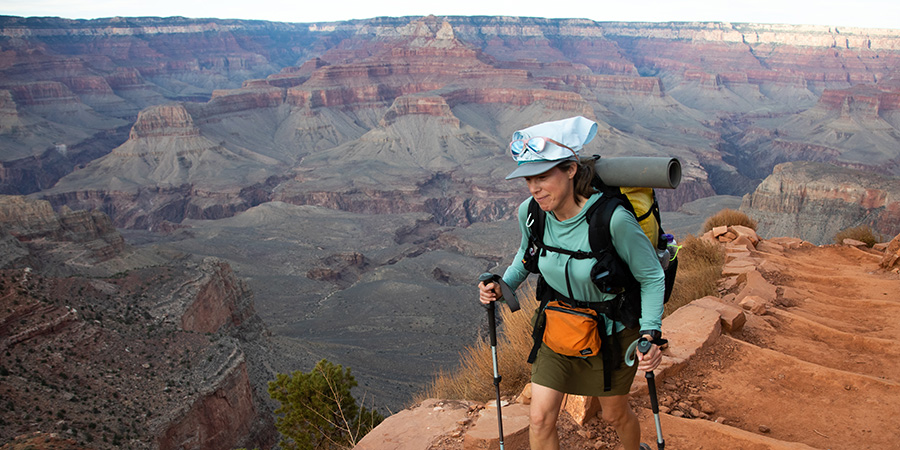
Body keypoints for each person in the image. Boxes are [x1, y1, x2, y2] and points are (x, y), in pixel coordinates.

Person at [478, 116, 665, 450]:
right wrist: (501, 284)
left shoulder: (613, 220)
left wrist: (650, 331)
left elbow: (651, 276)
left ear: (570, 170)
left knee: (614, 415)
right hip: (558, 325)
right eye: (528, 179)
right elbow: (528, 254)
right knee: (539, 418)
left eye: (543, 176)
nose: (534, 188)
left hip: (610, 334)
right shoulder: (531, 213)